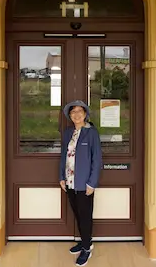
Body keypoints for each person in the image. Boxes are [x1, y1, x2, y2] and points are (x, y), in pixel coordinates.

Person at [59, 100, 102, 266]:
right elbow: (63, 155)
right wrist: (61, 177)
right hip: (69, 182)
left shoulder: (91, 133)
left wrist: (92, 183)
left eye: (79, 111)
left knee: (85, 217)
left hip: (84, 184)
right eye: (73, 112)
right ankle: (86, 241)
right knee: (77, 213)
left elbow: (97, 160)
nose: (76, 114)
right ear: (70, 115)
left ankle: (86, 248)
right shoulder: (68, 132)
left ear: (85, 114)